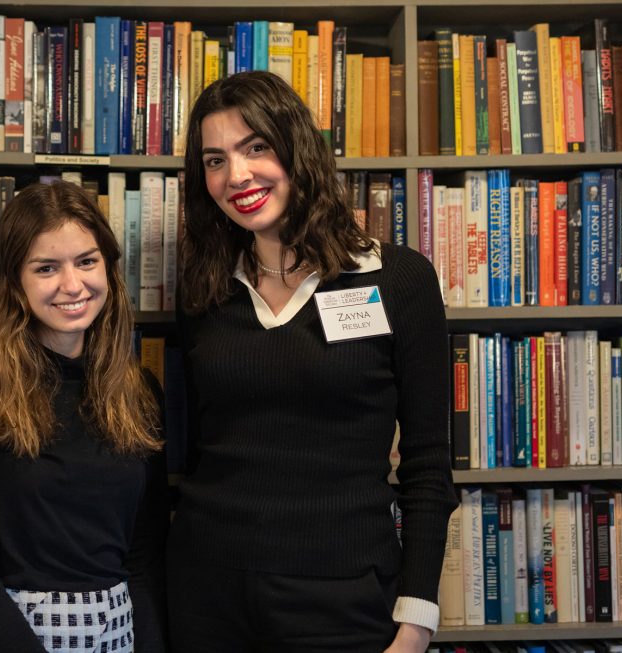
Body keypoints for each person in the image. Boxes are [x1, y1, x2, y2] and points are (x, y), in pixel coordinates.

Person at [169, 70, 458, 653]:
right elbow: (195, 445)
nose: (237, 175)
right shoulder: (205, 288)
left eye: (256, 147)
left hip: (343, 597)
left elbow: (428, 461)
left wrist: (417, 620)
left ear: (297, 149)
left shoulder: (397, 278)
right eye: (215, 160)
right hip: (206, 593)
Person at [0, 181, 168, 653]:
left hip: (116, 632)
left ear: (109, 268)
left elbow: (144, 557)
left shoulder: (140, 393)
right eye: (46, 268)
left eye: (87, 261)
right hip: (3, 634)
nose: (72, 285)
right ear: (15, 281)